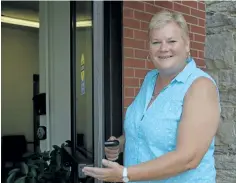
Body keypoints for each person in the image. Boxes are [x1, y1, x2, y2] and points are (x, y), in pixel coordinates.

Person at [82, 10, 221, 183]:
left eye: (171, 41)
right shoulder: (150, 79)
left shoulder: (200, 86)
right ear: (149, 47)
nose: (164, 48)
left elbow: (189, 158)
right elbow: (145, 129)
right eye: (156, 42)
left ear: (187, 45)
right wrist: (121, 144)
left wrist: (125, 174)